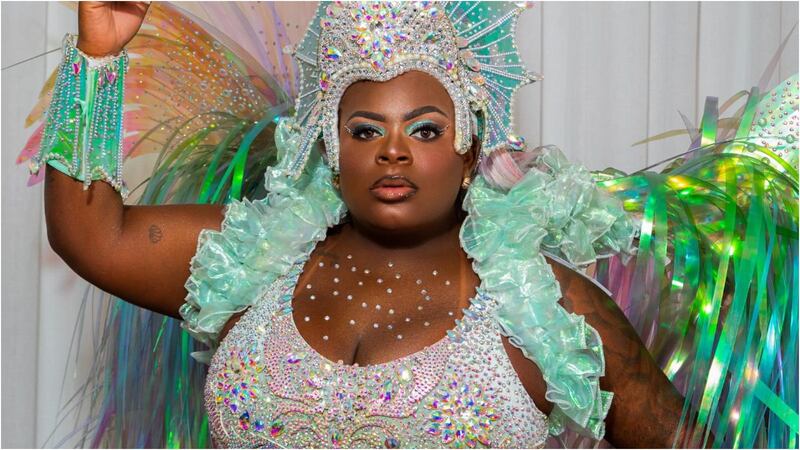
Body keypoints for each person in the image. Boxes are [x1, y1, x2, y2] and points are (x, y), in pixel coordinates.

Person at [28, 1, 798, 448]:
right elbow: (92, 234)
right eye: (364, 130)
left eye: (425, 129)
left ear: (469, 152)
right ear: (332, 154)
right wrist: (99, 56)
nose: (392, 149)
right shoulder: (255, 258)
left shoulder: (544, 308)